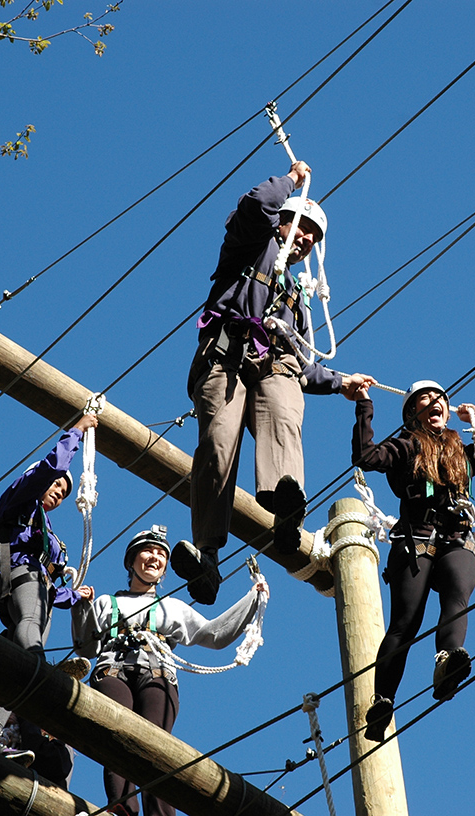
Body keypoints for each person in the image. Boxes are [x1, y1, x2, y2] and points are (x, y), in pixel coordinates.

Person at [175, 160, 374, 605]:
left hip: (276, 366)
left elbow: (304, 365)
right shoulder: (250, 244)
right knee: (217, 444)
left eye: (314, 239)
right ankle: (207, 558)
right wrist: (291, 180)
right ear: (284, 219)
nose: (305, 241)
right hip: (225, 357)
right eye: (301, 228)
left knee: (284, 414)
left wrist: (341, 382)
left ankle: (286, 511)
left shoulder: (298, 300)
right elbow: (256, 204)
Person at [348, 380, 475, 741]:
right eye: (425, 399)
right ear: (413, 413)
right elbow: (366, 457)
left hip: (458, 539)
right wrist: (364, 404)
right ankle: (382, 700)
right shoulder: (406, 445)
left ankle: (448, 662)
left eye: (439, 397)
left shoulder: (461, 450)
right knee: (406, 622)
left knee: (457, 595)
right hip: (417, 540)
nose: (435, 403)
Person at [72, 525, 268, 816]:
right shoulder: (105, 603)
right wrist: (81, 606)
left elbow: (213, 635)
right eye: (148, 551)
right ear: (132, 561)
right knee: (115, 732)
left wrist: (251, 601)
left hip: (157, 673)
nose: (154, 557)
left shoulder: (173, 608)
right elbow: (84, 647)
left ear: (164, 569)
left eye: (161, 554)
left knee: (157, 748)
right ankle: (122, 809)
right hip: (112, 669)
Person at [0, 412, 98, 763]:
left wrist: (76, 595)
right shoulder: (21, 502)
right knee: (30, 651)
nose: (58, 494)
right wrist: (76, 431)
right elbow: (50, 467)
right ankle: (36, 672)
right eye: (56, 487)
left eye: (63, 494)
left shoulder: (47, 533)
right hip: (20, 579)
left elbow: (52, 594)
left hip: (35, 591)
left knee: (13, 669)